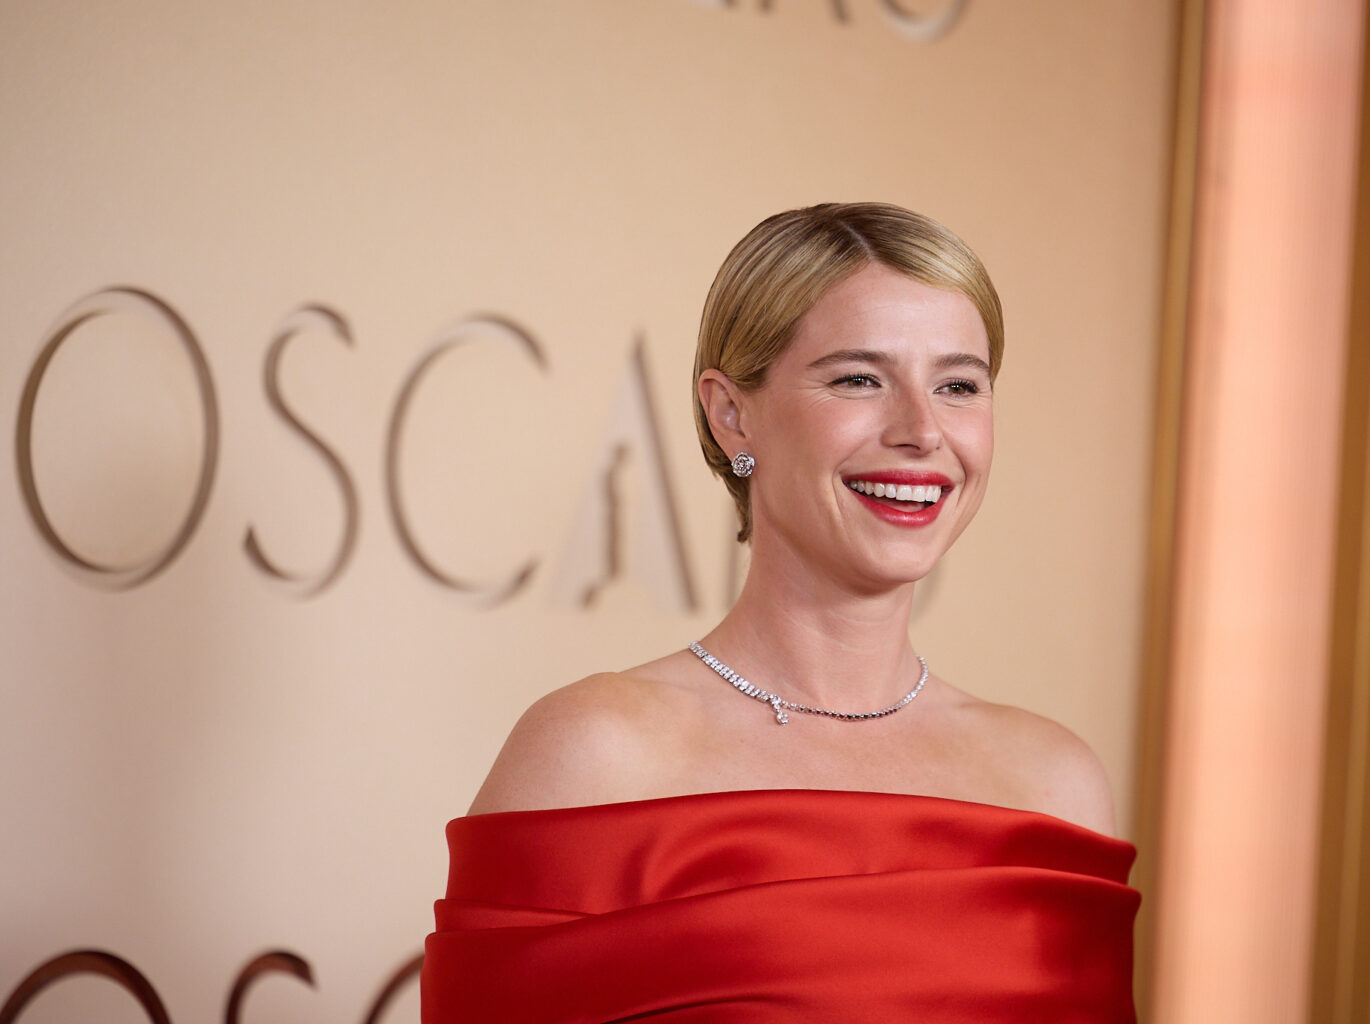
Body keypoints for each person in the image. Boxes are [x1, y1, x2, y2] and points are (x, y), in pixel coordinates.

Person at [421, 203, 1139, 1022]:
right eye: (858, 379)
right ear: (732, 415)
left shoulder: (1054, 783)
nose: (921, 430)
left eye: (958, 385)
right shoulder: (593, 756)